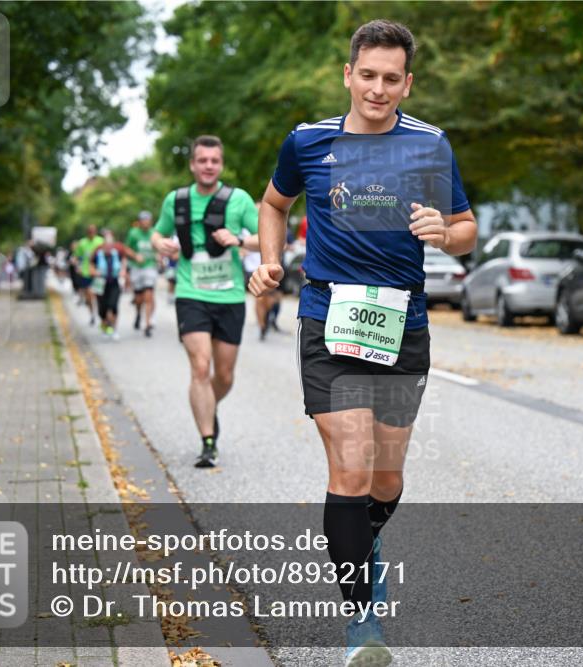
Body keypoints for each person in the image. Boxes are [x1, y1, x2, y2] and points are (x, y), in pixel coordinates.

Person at [248, 20, 476, 665]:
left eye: (391, 78)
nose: (378, 88)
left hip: (403, 321)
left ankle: (361, 538)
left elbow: (466, 228)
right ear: (348, 74)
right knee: (350, 466)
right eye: (368, 75)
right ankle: (362, 623)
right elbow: (274, 204)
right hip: (329, 318)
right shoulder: (308, 142)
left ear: (408, 83)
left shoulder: (430, 146)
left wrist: (445, 233)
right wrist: (270, 261)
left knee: (386, 476)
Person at [151, 135, 260, 468]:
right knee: (200, 366)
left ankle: (208, 406)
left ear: (221, 164)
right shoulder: (176, 200)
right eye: (202, 160)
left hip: (229, 296)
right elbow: (157, 232)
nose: (208, 166)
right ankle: (208, 441)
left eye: (214, 160)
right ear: (192, 165)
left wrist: (238, 239)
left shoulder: (239, 200)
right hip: (190, 293)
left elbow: (268, 239)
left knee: (224, 375)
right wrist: (159, 244)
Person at [91, 229, 142, 340]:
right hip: (101, 283)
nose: (109, 247)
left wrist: (124, 269)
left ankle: (113, 328)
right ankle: (105, 326)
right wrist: (94, 272)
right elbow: (91, 265)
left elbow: (125, 256)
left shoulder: (118, 249)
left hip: (114, 282)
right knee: (102, 309)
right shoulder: (97, 251)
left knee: (113, 305)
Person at [126, 210, 159, 337]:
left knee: (149, 295)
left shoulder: (154, 233)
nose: (145, 222)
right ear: (139, 222)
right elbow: (126, 248)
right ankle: (138, 313)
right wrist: (135, 256)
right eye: (143, 220)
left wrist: (159, 256)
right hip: (137, 268)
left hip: (150, 267)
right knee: (139, 298)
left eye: (147, 220)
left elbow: (159, 247)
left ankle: (148, 324)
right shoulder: (133, 233)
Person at [74, 225, 104, 325]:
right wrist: (78, 267)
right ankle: (92, 314)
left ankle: (101, 314)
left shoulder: (100, 241)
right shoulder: (82, 243)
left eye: (93, 231)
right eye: (90, 231)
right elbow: (77, 257)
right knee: (89, 295)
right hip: (86, 273)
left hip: (98, 273)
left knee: (97, 295)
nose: (91, 233)